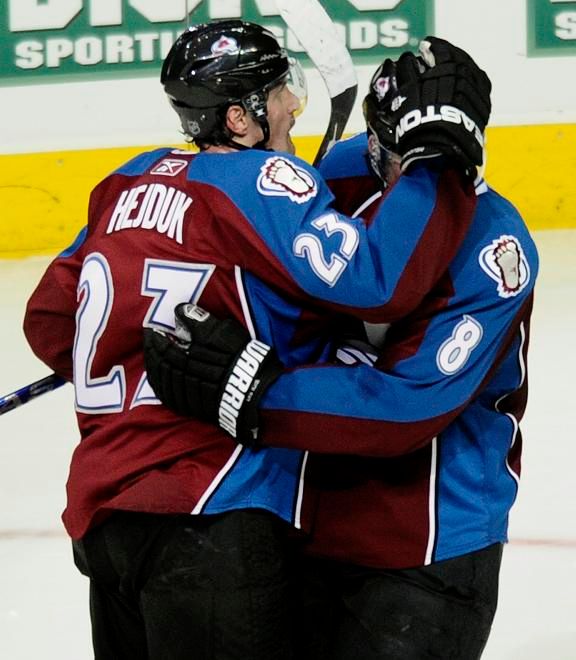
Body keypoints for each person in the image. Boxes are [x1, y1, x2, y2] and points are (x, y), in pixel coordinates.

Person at [23, 18, 491, 660]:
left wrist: (150, 344)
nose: (295, 102)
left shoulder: (127, 181)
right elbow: (383, 279)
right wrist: (436, 156)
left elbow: (49, 324)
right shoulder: (264, 182)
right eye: (279, 91)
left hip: (104, 522)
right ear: (241, 119)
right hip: (212, 510)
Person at [143, 50, 538, 659]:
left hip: (426, 554)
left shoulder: (495, 250)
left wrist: (254, 393)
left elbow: (402, 410)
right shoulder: (350, 170)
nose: (400, 166)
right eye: (390, 143)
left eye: (425, 155)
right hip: (305, 529)